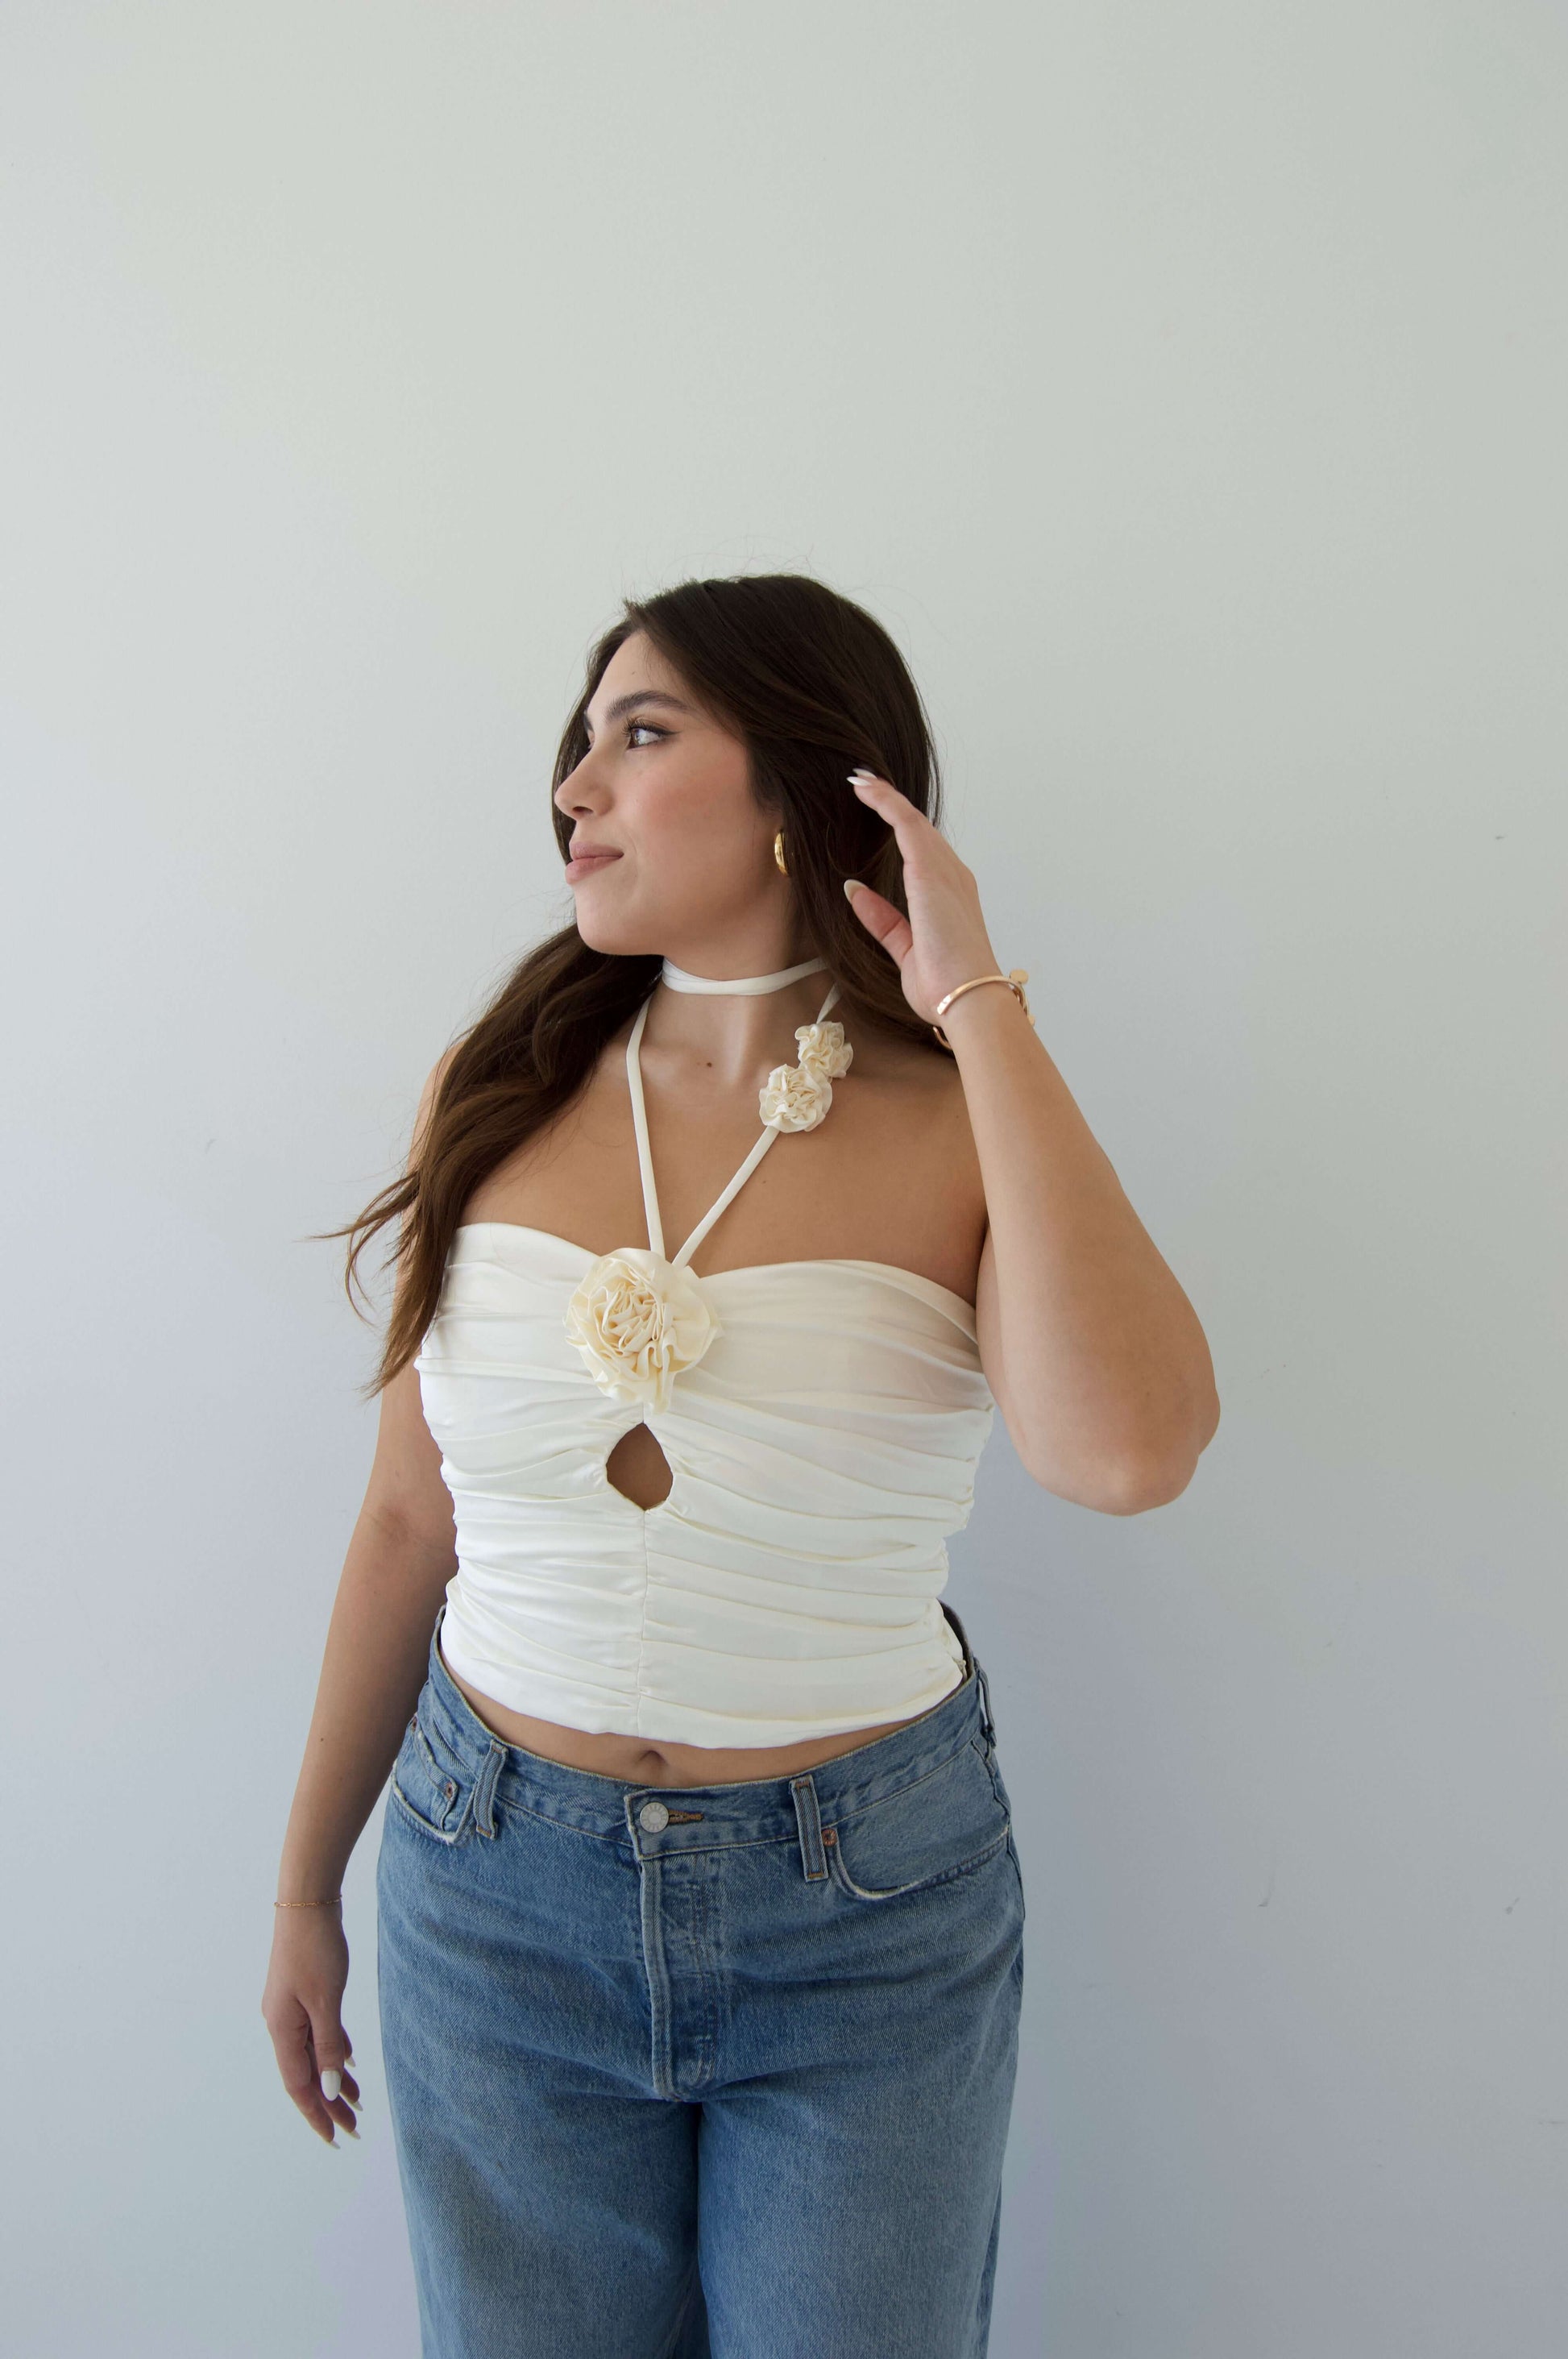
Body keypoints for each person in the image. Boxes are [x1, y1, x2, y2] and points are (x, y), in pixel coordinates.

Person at [261, 572, 1221, 2357]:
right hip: (491, 1889)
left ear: (803, 789)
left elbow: (1124, 1452)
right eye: (580, 742)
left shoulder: (955, 1114)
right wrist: (304, 1884)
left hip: (861, 1911)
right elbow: (408, 1517)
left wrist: (982, 997)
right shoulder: (498, 1080)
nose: (574, 789)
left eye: (642, 736)